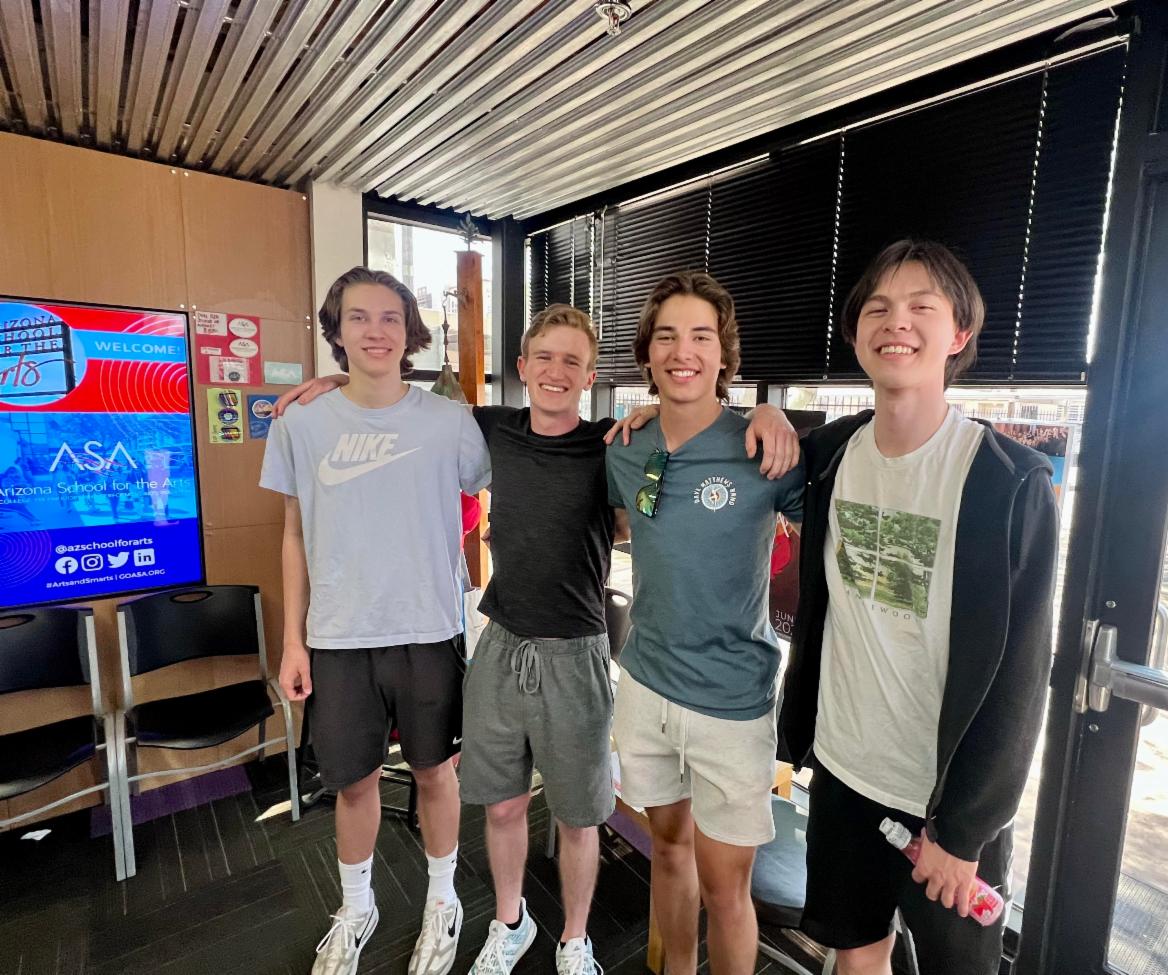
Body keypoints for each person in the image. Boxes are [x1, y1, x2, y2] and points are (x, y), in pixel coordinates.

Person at [276, 302, 799, 975]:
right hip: (501, 643)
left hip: (578, 650)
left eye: (572, 361)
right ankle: (510, 921)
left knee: (579, 816)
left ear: (590, 377)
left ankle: (575, 939)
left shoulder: (614, 443)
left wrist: (766, 412)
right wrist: (337, 381)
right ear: (522, 367)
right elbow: (399, 406)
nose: (556, 371)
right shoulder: (488, 429)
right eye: (544, 358)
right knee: (502, 808)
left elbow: (677, 436)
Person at [777, 239, 1059, 975]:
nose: (895, 322)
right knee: (856, 954)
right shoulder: (829, 454)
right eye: (877, 307)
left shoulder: (1007, 481)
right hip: (843, 770)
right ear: (855, 334)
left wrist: (964, 833)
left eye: (920, 307)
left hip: (945, 799)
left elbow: (1023, 675)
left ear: (958, 334)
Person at [260, 266, 491, 975]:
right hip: (338, 636)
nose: (376, 331)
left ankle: (443, 900)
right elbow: (293, 534)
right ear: (335, 330)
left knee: (436, 773)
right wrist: (293, 641)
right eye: (358, 317)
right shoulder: (300, 422)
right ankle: (357, 907)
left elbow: (490, 489)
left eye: (391, 317)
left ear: (410, 331)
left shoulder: (448, 422)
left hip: (428, 630)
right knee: (354, 782)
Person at [604, 271, 806, 975]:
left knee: (726, 891)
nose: (682, 351)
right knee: (666, 851)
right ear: (647, 353)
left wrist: (774, 412)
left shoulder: (764, 448)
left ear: (724, 354)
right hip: (646, 686)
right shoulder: (625, 445)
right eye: (666, 336)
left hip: (732, 702)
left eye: (700, 336)